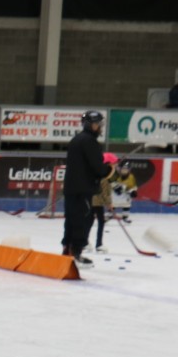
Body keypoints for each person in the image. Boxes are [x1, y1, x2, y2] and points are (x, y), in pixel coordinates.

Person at [61, 110, 108, 267]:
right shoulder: (90, 141)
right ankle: (76, 254)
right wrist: (109, 169)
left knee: (71, 220)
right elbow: (98, 168)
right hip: (82, 189)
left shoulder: (77, 139)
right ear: (90, 125)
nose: (100, 127)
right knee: (81, 220)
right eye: (98, 124)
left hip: (71, 188)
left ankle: (67, 251)